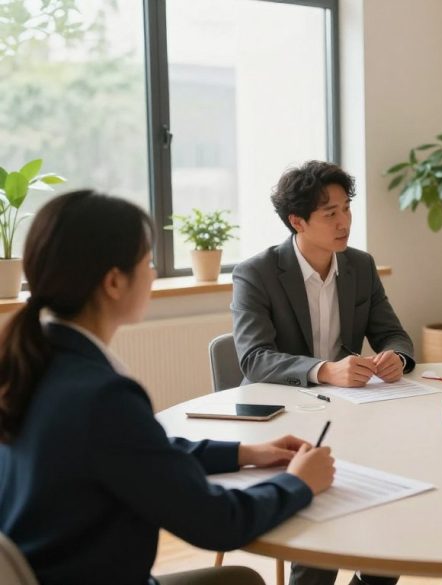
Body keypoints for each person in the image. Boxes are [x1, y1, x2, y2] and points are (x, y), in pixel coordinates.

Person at [0, 190, 335, 585]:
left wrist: (245, 452)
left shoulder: (34, 362)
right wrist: (298, 483)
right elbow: (218, 523)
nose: (154, 273)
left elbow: (136, 452)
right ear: (113, 282)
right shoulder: (102, 397)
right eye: (147, 262)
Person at [231, 161, 413, 585]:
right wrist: (325, 370)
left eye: (346, 209)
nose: (344, 221)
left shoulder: (360, 267)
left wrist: (395, 358)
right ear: (298, 221)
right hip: (282, 422)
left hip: (354, 414)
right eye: (330, 213)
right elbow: (254, 358)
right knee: (322, 525)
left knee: (395, 507)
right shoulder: (256, 273)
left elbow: (394, 335)